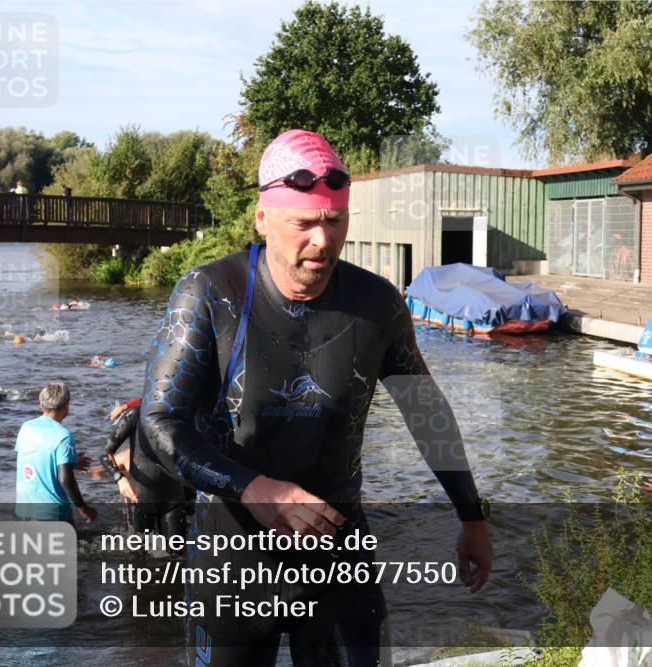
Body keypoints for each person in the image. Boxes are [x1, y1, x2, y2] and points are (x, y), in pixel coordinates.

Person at [137, 129, 492, 666]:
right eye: (302, 224)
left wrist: (472, 518)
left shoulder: (378, 304)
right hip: (232, 557)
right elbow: (160, 422)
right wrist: (254, 488)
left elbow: (426, 413)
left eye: (334, 221)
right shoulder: (210, 294)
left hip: (339, 558)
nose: (322, 242)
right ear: (263, 219)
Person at [101, 399, 193, 551]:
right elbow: (106, 454)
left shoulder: (181, 415)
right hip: (139, 500)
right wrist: (120, 478)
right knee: (137, 559)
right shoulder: (135, 414)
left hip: (173, 500)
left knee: (177, 557)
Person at [14, 383, 97, 523]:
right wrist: (83, 508)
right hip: (52, 513)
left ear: (41, 405)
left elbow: (34, 459)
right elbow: (66, 480)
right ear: (67, 407)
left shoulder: (26, 427)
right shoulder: (64, 435)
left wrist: (70, 463)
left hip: (24, 509)